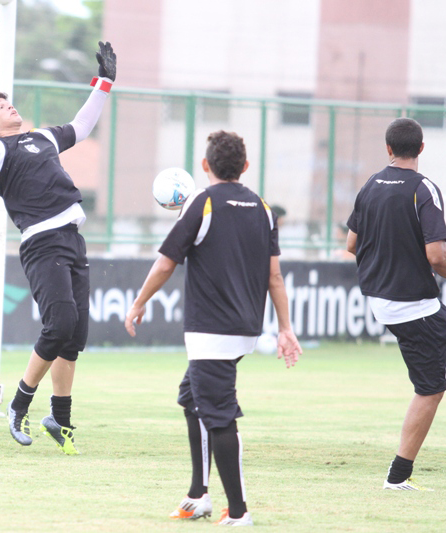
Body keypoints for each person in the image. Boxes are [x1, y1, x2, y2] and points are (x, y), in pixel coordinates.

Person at [0, 41, 117, 454]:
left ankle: (60, 419)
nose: (9, 106)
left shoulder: (43, 136)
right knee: (59, 325)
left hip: (72, 240)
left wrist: (104, 82)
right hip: (43, 244)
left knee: (74, 338)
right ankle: (19, 405)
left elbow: (82, 127)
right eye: (0, 106)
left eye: (8, 102)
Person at [125, 131, 302, 526]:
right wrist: (285, 327)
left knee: (220, 417)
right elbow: (274, 276)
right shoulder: (263, 208)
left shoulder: (201, 202)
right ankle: (198, 495)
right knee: (192, 397)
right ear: (245, 166)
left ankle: (238, 512)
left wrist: (138, 303)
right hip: (245, 327)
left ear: (205, 165)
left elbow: (166, 262)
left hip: (211, 330)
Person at [346, 117, 446, 490]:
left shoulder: (370, 186)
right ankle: (397, 477)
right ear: (421, 148)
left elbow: (351, 244)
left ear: (388, 148)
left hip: (383, 300)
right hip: (414, 307)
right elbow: (437, 256)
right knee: (431, 390)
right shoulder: (424, 189)